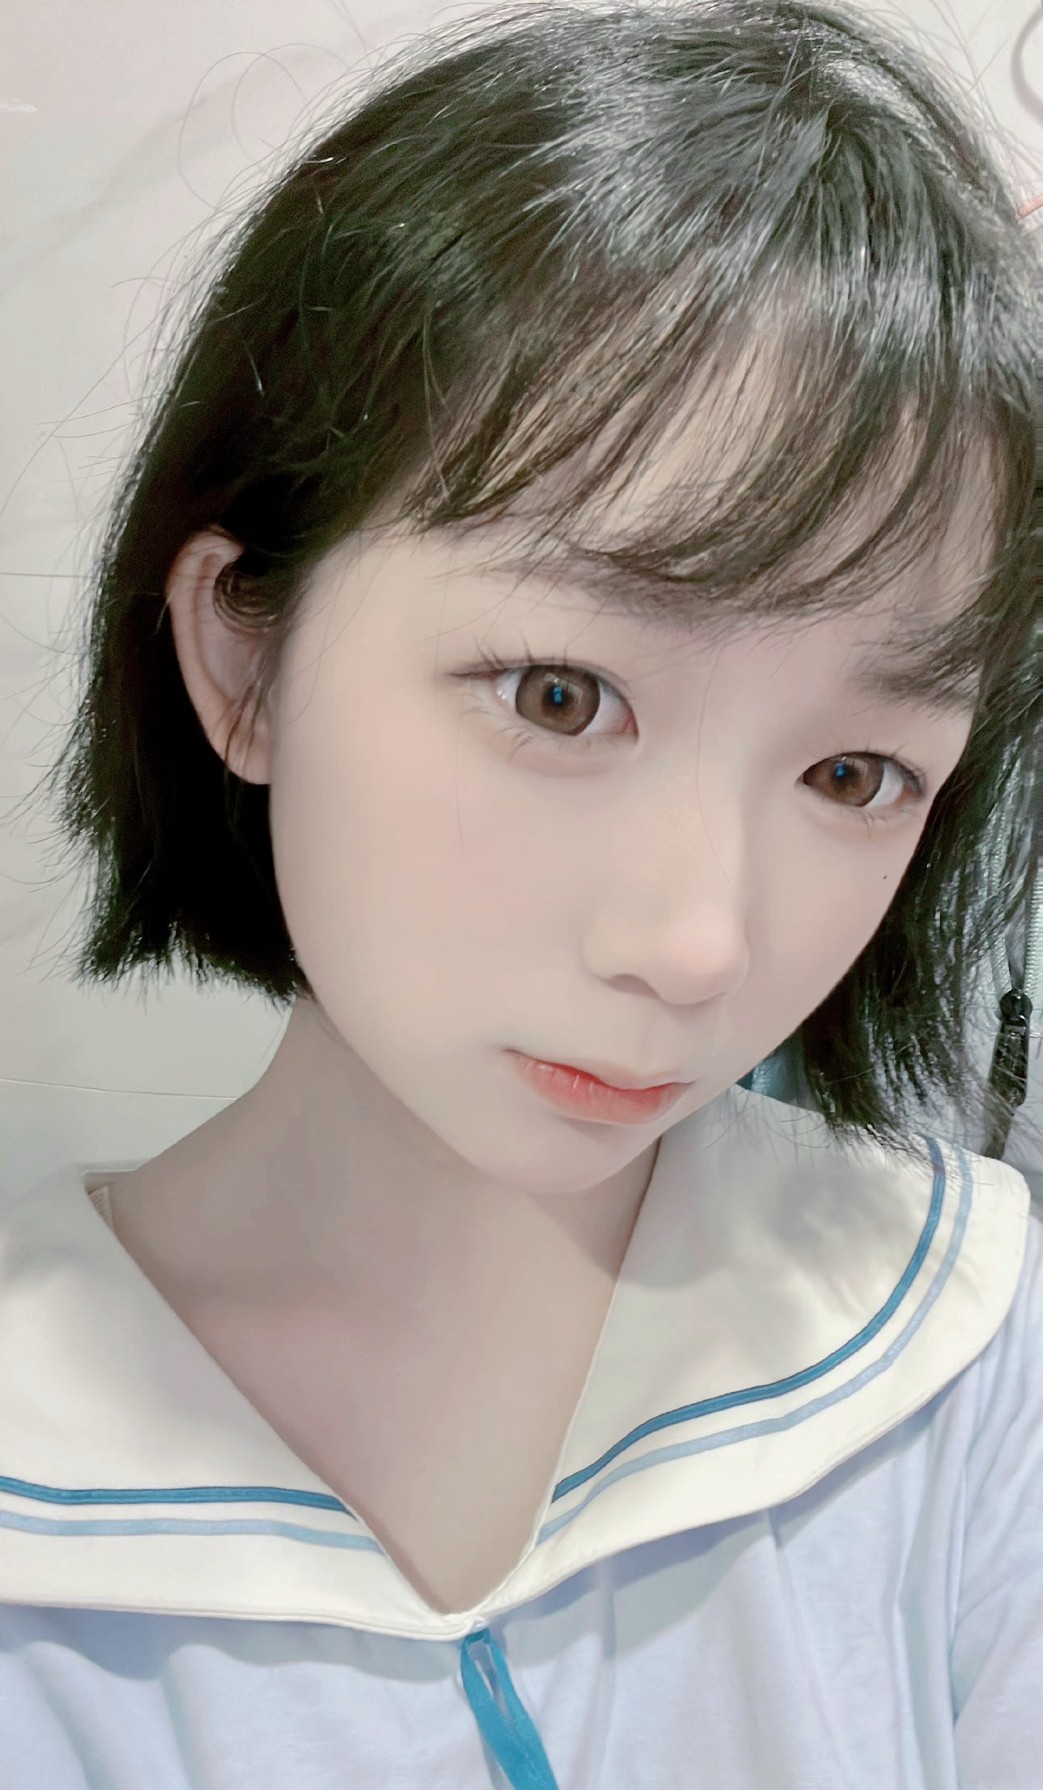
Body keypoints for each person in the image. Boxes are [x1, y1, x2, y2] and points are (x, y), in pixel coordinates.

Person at [0, 1, 1039, 1783]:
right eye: (562, 697)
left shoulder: (970, 1354)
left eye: (854, 775)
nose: (699, 945)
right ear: (243, 659)